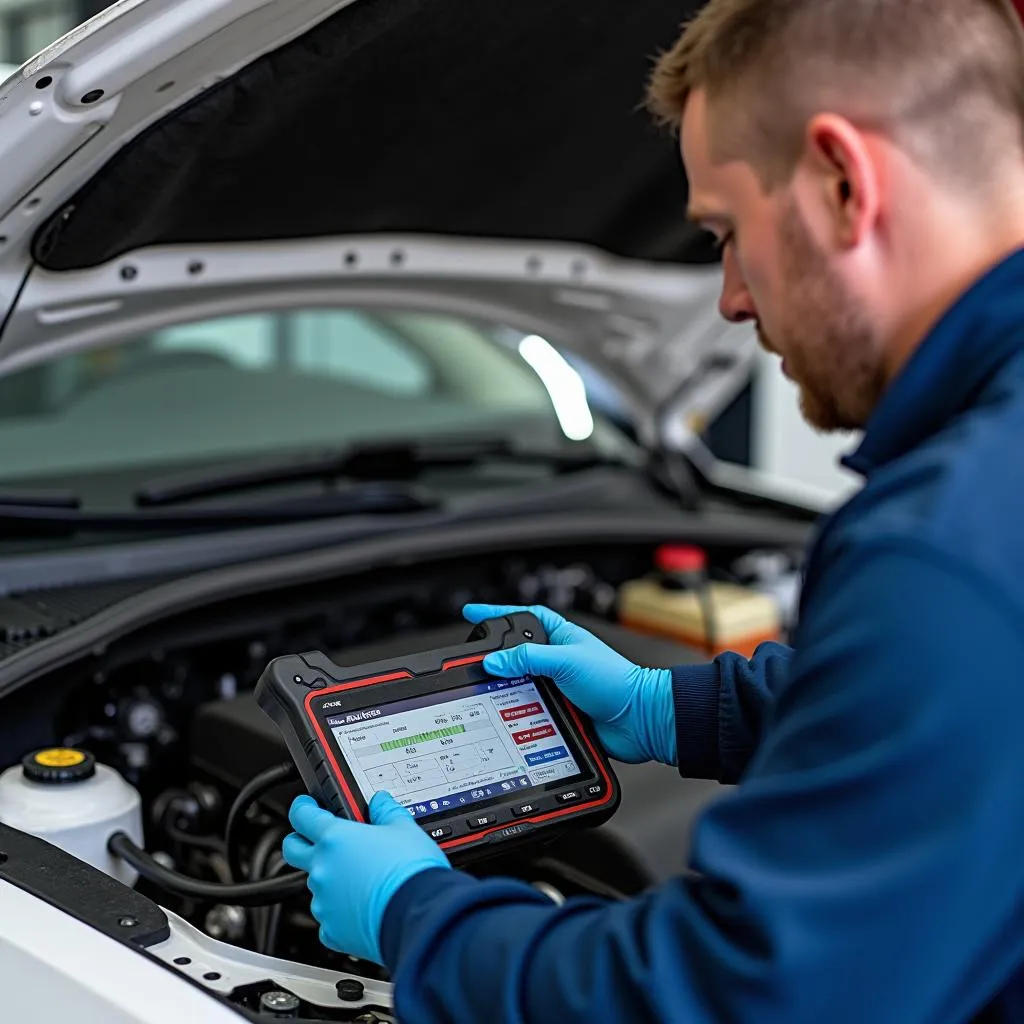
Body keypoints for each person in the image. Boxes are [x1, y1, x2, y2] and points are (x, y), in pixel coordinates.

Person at [280, 1, 1024, 1020]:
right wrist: (661, 707)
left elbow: (731, 999)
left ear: (843, 183)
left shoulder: (946, 546)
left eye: (723, 233)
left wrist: (419, 915)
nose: (727, 299)